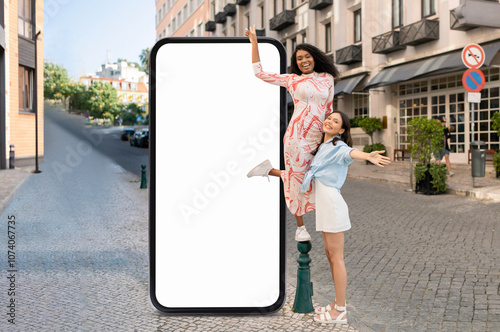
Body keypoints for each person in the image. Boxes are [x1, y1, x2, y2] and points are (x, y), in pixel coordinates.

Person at [245, 25, 340, 242]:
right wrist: (255, 44)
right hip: (296, 135)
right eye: (299, 58)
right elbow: (259, 73)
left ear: (314, 58)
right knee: (297, 179)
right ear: (295, 62)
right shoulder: (292, 80)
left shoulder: (327, 78)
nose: (303, 61)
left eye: (307, 56)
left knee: (317, 174)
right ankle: (300, 228)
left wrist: (330, 137)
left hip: (318, 135)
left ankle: (269, 171)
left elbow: (328, 109)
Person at [300, 111, 390, 324]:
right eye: (329, 118)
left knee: (337, 257)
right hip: (325, 206)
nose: (329, 121)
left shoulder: (337, 146)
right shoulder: (323, 147)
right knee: (330, 256)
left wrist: (367, 156)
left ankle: (340, 310)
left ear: (341, 130)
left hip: (332, 205)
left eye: (336, 121)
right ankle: (336, 302)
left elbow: (350, 152)